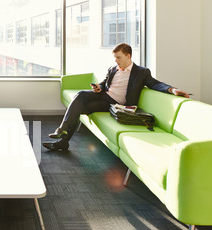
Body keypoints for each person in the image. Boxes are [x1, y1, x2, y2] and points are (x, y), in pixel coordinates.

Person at [43, 43, 190, 152]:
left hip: (115, 105)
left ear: (128, 56)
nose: (116, 61)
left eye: (118, 57)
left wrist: (172, 89)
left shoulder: (141, 72)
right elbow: (105, 83)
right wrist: (99, 87)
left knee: (79, 99)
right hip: (104, 96)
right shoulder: (113, 69)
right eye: (115, 58)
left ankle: (62, 133)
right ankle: (63, 140)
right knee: (80, 98)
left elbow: (155, 84)